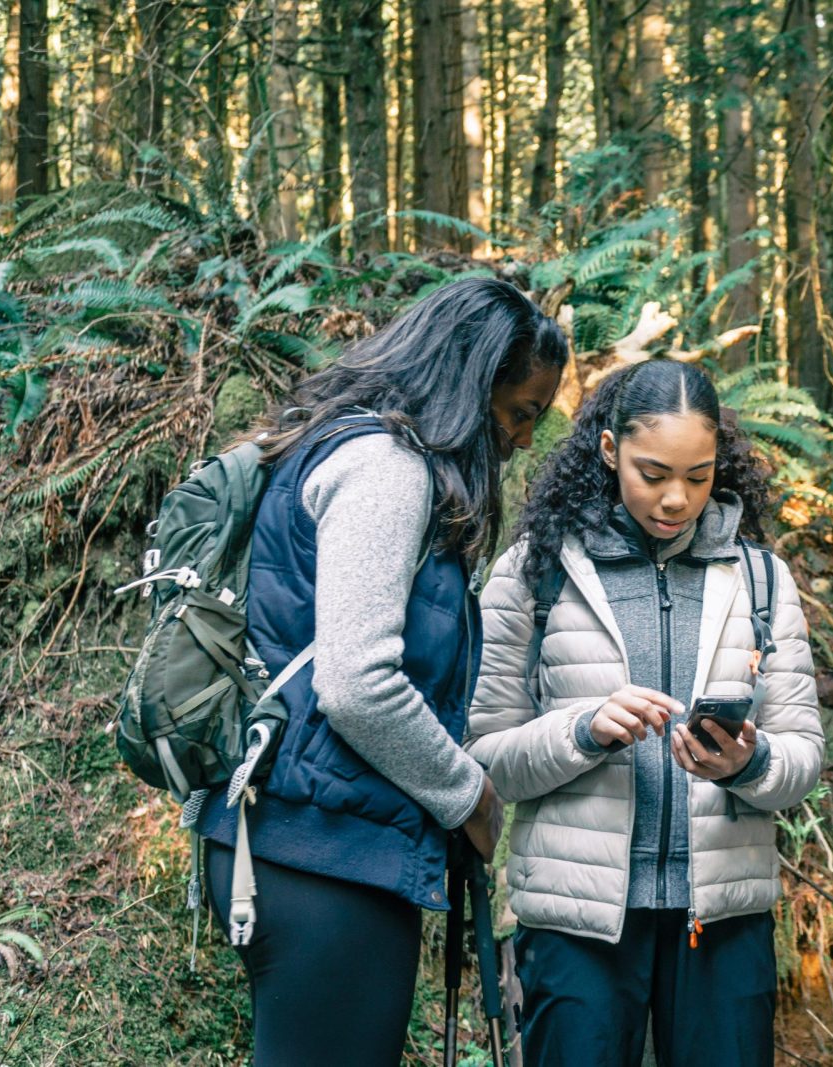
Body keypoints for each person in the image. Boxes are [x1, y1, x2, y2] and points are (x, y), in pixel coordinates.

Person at [194, 278, 568, 1065]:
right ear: (472, 382)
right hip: (321, 854)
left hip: (308, 839)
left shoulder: (351, 447)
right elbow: (358, 681)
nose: (525, 437)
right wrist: (469, 792)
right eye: (522, 411)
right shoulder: (388, 468)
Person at [466, 358, 823, 1067]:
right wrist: (582, 729)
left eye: (698, 476)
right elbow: (482, 756)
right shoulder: (533, 572)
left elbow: (803, 757)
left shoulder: (759, 577)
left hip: (721, 918)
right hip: (578, 922)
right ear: (608, 450)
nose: (676, 499)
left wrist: (749, 761)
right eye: (652, 473)